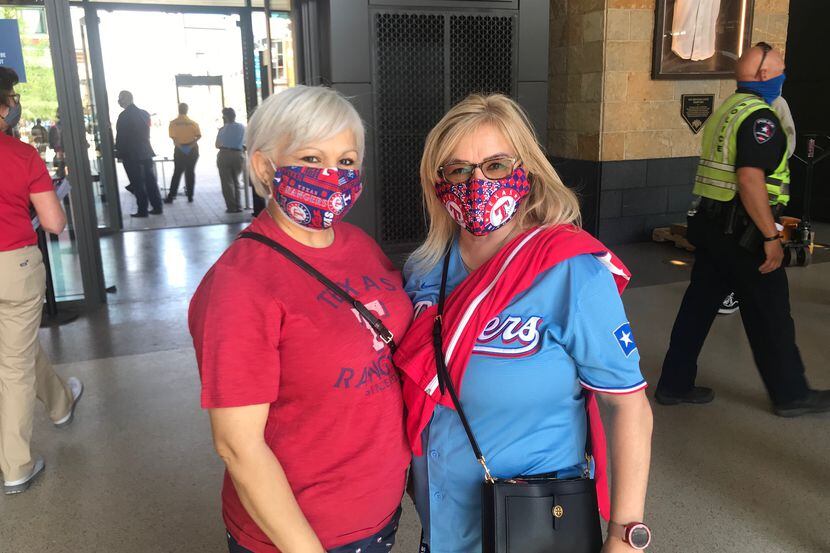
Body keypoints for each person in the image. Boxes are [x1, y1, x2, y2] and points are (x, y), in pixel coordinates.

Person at [393, 94, 653, 553]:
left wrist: (625, 537)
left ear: (526, 171)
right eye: (458, 170)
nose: (477, 183)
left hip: (535, 525)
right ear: (438, 183)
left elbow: (627, 404)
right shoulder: (423, 270)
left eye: (495, 165)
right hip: (443, 523)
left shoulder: (568, 270)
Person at [189, 86, 412, 553]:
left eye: (347, 161)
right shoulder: (239, 283)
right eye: (311, 158)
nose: (332, 174)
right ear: (265, 166)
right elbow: (237, 446)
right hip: (304, 536)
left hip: (378, 513)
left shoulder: (359, 245)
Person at [656, 43, 830, 417]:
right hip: (744, 234)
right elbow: (750, 179)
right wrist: (771, 237)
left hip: (712, 226)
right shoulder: (761, 119)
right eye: (782, 69)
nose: (785, 75)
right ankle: (791, 394)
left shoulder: (727, 111)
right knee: (771, 313)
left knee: (698, 307)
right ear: (766, 75)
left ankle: (674, 383)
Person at [0, 67, 84, 495]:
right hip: (13, 267)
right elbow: (53, 222)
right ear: (4, 106)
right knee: (13, 364)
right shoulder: (19, 155)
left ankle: (60, 403)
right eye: (11, 96)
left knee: (16, 350)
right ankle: (16, 465)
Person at [716, 94, 798, 317]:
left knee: (759, 252)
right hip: (739, 195)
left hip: (768, 195)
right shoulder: (739, 103)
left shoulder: (777, 104)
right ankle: (734, 294)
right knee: (742, 250)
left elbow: (788, 144)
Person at [115, 90, 163, 217]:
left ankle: (142, 209)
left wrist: (118, 152)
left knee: (137, 183)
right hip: (146, 152)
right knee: (150, 180)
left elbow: (121, 137)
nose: (119, 101)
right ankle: (157, 206)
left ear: (126, 99)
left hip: (131, 154)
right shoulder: (144, 113)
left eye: (120, 98)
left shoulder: (124, 116)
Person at [165, 102, 201, 204]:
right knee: (190, 172)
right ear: (187, 110)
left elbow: (173, 138)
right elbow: (198, 136)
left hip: (179, 149)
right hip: (193, 149)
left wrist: (181, 147)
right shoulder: (193, 123)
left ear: (179, 110)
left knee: (177, 173)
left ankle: (171, 196)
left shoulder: (173, 123)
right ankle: (190, 196)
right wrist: (191, 145)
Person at [215, 107, 246, 213]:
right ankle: (239, 206)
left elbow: (217, 145)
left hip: (224, 155)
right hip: (238, 155)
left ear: (225, 117)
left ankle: (231, 207)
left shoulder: (222, 129)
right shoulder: (242, 127)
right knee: (236, 181)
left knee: (227, 183)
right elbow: (246, 143)